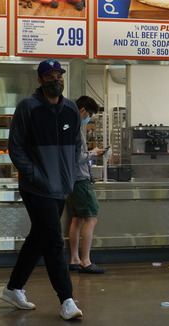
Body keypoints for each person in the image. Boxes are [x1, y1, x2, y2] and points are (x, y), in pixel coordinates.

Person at [0, 59, 83, 320]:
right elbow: (16, 148)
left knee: (39, 238)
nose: (55, 80)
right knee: (54, 240)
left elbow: (77, 148)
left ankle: (13, 288)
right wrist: (35, 176)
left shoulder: (70, 110)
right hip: (36, 188)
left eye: (59, 75)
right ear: (40, 80)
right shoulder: (28, 108)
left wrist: (69, 180)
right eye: (49, 76)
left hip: (61, 188)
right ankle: (67, 299)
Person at [67, 95, 107, 274]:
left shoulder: (68, 126)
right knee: (91, 218)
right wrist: (94, 153)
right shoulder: (75, 129)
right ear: (82, 110)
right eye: (89, 114)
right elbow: (77, 158)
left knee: (77, 219)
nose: (88, 118)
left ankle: (75, 259)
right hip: (80, 181)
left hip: (71, 181)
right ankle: (86, 261)